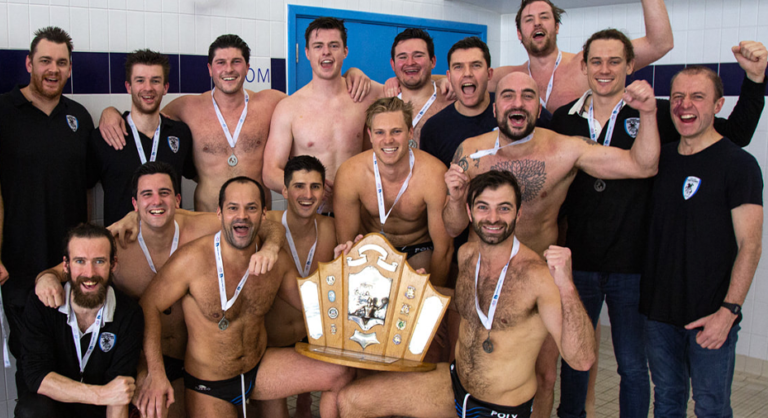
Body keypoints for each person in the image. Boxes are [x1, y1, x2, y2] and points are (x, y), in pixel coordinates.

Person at [550, 31, 767, 418]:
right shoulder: (563, 119)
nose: (604, 69)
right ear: (583, 66)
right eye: (596, 60)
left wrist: (754, 81)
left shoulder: (656, 112)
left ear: (630, 65)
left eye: (615, 60)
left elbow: (733, 136)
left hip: (634, 268)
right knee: (579, 360)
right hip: (581, 262)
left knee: (635, 369)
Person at [443, 71, 659, 416]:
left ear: (539, 105)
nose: (517, 103)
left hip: (536, 284)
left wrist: (647, 113)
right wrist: (456, 199)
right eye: (508, 95)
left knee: (544, 378)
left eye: (527, 96)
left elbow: (643, 165)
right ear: (495, 106)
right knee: (467, 368)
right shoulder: (471, 151)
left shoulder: (564, 149)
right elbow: (453, 226)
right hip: (482, 278)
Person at [335, 170, 595, 418]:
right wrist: (367, 269)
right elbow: (463, 303)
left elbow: (581, 360)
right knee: (352, 401)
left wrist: (567, 286)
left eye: (504, 208)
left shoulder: (539, 277)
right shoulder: (467, 255)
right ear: (470, 212)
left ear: (519, 213)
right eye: (483, 207)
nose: (493, 218)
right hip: (455, 386)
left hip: (501, 408)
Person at [34, 162, 285, 418]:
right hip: (145, 356)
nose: (157, 201)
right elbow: (72, 266)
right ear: (135, 204)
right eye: (147, 194)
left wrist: (271, 247)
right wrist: (47, 278)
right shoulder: (118, 241)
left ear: (177, 199)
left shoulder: (201, 226)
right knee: (153, 411)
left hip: (194, 359)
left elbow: (267, 223)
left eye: (164, 193)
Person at [137, 177, 353, 418]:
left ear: (263, 215)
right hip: (209, 385)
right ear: (219, 213)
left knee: (341, 372)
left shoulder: (276, 262)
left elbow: (313, 306)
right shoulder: (192, 260)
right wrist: (155, 372)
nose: (242, 216)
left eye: (251, 208)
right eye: (233, 208)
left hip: (258, 368)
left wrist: (342, 268)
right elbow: (148, 305)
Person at [641, 66, 763, 417]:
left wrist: (729, 311)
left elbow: (751, 245)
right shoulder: (658, 159)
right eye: (677, 97)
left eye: (697, 97)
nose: (685, 105)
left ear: (718, 105)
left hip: (712, 313)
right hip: (659, 314)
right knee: (666, 400)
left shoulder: (739, 165)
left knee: (711, 407)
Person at [0, 26, 94, 397]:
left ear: (70, 68)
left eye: (61, 62)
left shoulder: (79, 117)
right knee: (33, 375)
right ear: (29, 63)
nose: (53, 69)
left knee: (75, 364)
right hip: (19, 268)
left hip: (72, 269)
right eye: (45, 61)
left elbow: (86, 189)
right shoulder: (3, 112)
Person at [98, 35, 287, 212]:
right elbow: (148, 116)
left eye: (236, 62)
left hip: (256, 218)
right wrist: (110, 112)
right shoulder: (187, 107)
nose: (228, 69)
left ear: (247, 68)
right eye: (221, 62)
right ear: (210, 69)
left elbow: (300, 108)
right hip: (207, 221)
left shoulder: (269, 103)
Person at [16, 223, 143, 418]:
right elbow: (36, 376)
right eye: (80, 261)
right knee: (32, 410)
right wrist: (100, 395)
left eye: (99, 261)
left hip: (99, 412)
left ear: (113, 264)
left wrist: (108, 396)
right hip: (54, 407)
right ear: (66, 265)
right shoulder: (42, 304)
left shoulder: (129, 314)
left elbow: (118, 392)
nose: (89, 273)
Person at [264, 17, 385, 215]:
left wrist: (440, 83)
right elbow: (270, 172)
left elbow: (412, 87)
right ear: (307, 53)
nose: (326, 52)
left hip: (357, 213)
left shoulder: (365, 94)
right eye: (318, 46)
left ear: (345, 51)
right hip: (310, 215)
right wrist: (306, 189)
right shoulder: (289, 108)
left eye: (334, 45)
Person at [334, 97, 453, 285]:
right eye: (379, 132)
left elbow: (443, 249)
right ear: (370, 135)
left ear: (410, 132)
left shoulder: (433, 174)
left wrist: (431, 296)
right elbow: (345, 244)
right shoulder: (350, 174)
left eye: (396, 131)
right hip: (371, 251)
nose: (388, 140)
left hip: (418, 249)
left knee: (420, 282)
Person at [490, 0, 672, 113]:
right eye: (529, 19)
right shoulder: (507, 77)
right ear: (519, 33)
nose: (537, 23)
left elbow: (659, 44)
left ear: (557, 27)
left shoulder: (587, 63)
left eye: (544, 17)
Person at [259, 155, 337, 418]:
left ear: (323, 191)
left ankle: (305, 399)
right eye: (299, 186)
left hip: (313, 340)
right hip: (273, 343)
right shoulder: (265, 225)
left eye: (315, 187)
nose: (308, 195)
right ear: (284, 190)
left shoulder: (332, 228)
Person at [90, 49, 196, 226]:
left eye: (155, 81)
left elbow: (198, 175)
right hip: (122, 240)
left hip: (170, 239)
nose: (148, 88)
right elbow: (85, 188)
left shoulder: (180, 133)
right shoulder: (103, 136)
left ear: (165, 87)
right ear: (128, 87)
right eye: (140, 80)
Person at [420, 37, 552, 170]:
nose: (467, 73)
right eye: (458, 67)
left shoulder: (519, 110)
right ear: (449, 76)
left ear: (489, 74)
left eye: (476, 65)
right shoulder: (434, 129)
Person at [389, 28, 454, 147]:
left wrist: (449, 80)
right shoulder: (381, 101)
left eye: (418, 55)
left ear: (433, 61)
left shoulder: (453, 100)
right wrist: (354, 72)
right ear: (393, 64)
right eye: (402, 57)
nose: (410, 62)